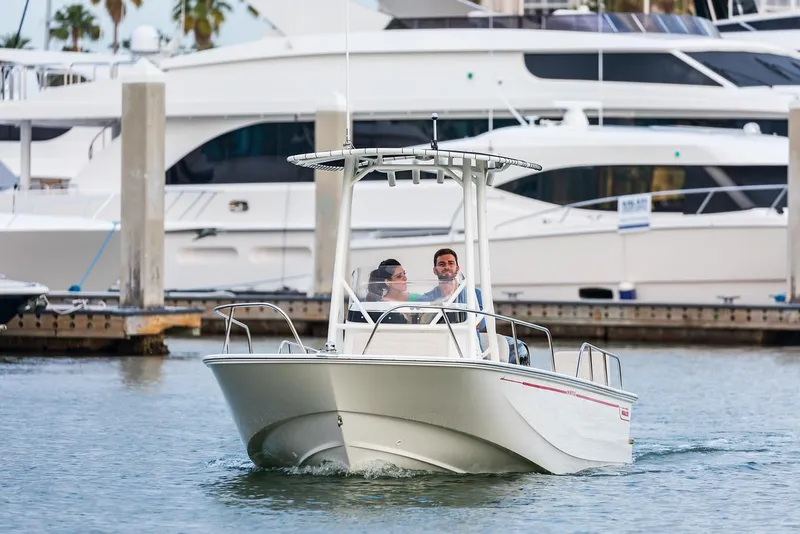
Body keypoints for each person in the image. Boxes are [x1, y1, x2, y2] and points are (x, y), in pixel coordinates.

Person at [420, 248, 527, 364]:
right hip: (437, 354)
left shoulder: (474, 295)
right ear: (435, 270)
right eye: (442, 264)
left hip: (471, 355)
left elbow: (479, 324)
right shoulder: (426, 299)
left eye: (451, 263)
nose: (447, 267)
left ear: (457, 268)